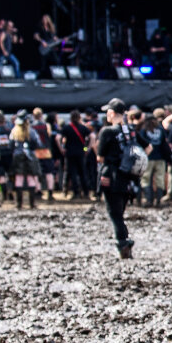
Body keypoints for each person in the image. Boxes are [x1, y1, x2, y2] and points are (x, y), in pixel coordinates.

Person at [96, 98, 136, 259]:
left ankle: (123, 242)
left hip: (111, 175)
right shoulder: (130, 130)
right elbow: (147, 148)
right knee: (120, 210)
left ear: (112, 113)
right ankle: (125, 240)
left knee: (114, 213)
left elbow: (100, 157)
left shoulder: (107, 131)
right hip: (129, 176)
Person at [10, 110, 43, 209]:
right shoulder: (31, 131)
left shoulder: (14, 131)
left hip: (18, 156)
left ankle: (19, 204)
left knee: (19, 179)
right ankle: (32, 204)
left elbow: (10, 144)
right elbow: (38, 144)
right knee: (31, 178)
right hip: (30, 157)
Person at [60, 111, 91, 199]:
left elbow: (60, 138)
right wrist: (86, 149)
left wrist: (62, 148)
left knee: (72, 173)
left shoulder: (66, 128)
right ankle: (86, 193)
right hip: (81, 153)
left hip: (70, 153)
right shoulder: (83, 128)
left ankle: (76, 192)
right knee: (82, 173)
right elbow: (90, 137)